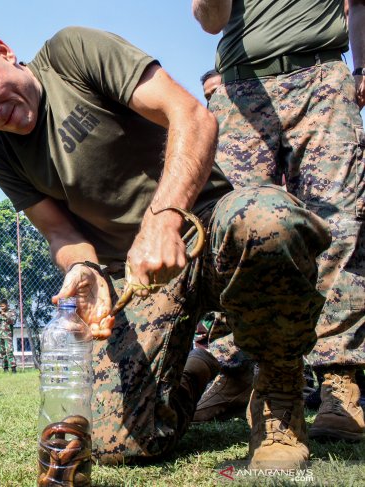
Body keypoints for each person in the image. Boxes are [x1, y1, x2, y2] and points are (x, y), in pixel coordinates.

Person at [0, 25, 331, 469]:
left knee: (267, 220)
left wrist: (163, 221)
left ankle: (279, 408)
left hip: (208, 229)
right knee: (117, 444)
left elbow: (192, 116)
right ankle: (201, 367)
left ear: (4, 51)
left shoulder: (71, 54)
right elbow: (61, 234)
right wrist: (86, 269)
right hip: (140, 276)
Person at [193, 0, 365, 444]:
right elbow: (211, 21)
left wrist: (362, 68)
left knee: (339, 227)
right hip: (240, 88)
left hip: (322, 77)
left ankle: (338, 382)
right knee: (234, 230)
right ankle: (235, 370)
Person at [0, 299, 16, 373]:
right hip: (0, 334)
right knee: (1, 351)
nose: (1, 307)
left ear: (7, 305)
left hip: (8, 334)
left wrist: (5, 315)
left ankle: (13, 368)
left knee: (9, 351)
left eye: (3, 306)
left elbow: (13, 321)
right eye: (0, 306)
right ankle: (5, 368)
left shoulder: (11, 312)